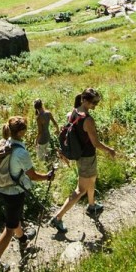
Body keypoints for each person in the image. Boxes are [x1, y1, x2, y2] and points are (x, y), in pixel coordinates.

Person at [0, 116, 55, 271]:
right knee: (10, 227)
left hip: (0, 188)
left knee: (14, 217)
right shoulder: (21, 153)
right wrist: (47, 177)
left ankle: (23, 238)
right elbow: (32, 175)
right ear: (22, 132)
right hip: (13, 193)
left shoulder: (6, 143)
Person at [49, 88, 117, 232]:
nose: (95, 105)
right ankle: (58, 218)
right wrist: (110, 150)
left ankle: (92, 206)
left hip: (80, 156)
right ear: (84, 100)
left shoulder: (73, 112)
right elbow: (96, 143)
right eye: (93, 102)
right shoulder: (88, 119)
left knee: (91, 179)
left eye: (97, 102)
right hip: (87, 157)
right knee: (80, 190)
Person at [33, 98, 56, 164]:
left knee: (40, 158)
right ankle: (49, 164)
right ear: (42, 104)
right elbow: (55, 123)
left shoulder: (38, 117)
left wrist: (36, 141)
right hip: (47, 136)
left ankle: (43, 167)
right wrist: (57, 130)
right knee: (47, 152)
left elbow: (40, 132)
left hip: (41, 139)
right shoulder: (48, 113)